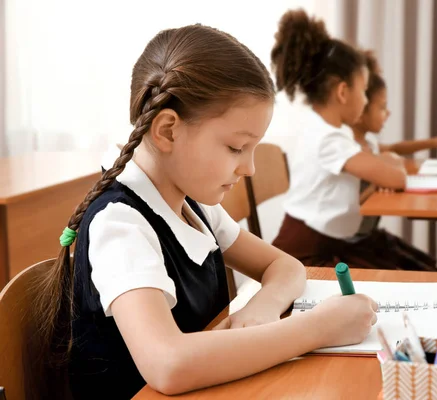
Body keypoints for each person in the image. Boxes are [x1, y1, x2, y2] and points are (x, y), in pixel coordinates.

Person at [31, 24, 378, 400]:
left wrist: (262, 309)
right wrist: (318, 328)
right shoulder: (122, 225)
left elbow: (286, 267)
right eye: (236, 148)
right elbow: (169, 365)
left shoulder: (191, 204)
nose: (249, 168)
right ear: (168, 131)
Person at [270, 10, 437, 272]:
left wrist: (383, 167)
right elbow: (396, 178)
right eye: (363, 90)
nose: (365, 99)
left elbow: (379, 170)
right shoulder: (328, 139)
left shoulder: (331, 131)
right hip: (305, 254)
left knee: (410, 268)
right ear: (342, 92)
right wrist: (389, 163)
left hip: (332, 243)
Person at [351, 50, 437, 158]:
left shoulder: (369, 143)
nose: (388, 112)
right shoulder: (349, 148)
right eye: (382, 107)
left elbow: (394, 148)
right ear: (361, 111)